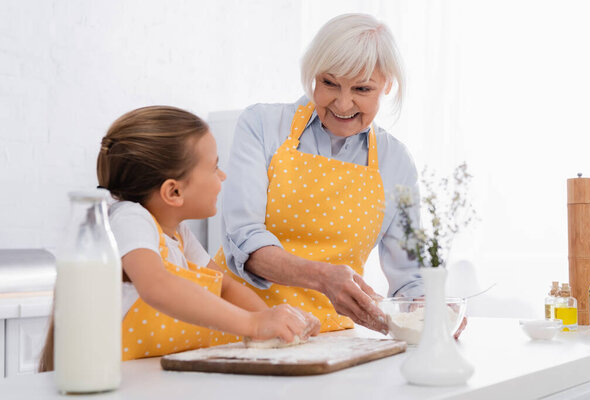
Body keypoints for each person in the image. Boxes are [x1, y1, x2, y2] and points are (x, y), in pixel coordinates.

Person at [39, 106, 320, 371]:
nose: (222, 176)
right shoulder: (130, 218)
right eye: (214, 167)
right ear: (173, 192)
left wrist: (279, 322)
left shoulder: (178, 233)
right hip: (114, 377)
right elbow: (156, 285)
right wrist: (252, 324)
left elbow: (225, 288)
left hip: (149, 375)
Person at [213, 13, 424, 335]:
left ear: (387, 86)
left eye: (362, 89)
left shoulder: (396, 162)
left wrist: (427, 310)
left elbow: (409, 276)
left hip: (329, 338)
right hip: (237, 324)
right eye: (329, 83)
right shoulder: (261, 126)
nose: (342, 103)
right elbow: (243, 240)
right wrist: (323, 278)